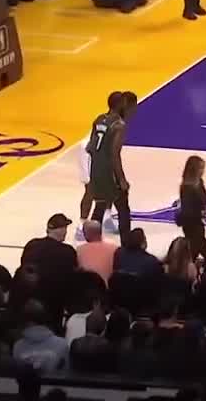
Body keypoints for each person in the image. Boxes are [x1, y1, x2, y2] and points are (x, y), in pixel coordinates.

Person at [89, 91, 137, 248]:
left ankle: (92, 245)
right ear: (121, 105)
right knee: (123, 210)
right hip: (110, 172)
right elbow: (114, 154)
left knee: (100, 206)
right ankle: (127, 247)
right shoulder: (119, 125)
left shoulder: (98, 120)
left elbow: (91, 148)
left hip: (96, 169)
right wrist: (121, 179)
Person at [78, 91, 122, 237]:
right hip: (89, 155)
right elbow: (93, 144)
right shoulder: (114, 123)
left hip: (100, 154)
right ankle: (81, 225)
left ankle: (106, 218)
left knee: (109, 183)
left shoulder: (105, 119)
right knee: (91, 190)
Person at [177, 155, 206, 267]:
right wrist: (203, 212)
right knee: (204, 255)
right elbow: (188, 211)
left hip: (198, 225)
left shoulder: (199, 182)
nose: (203, 171)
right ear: (193, 169)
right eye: (200, 168)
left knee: (198, 254)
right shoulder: (186, 188)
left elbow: (205, 197)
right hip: (191, 226)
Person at [20, 213, 78, 284]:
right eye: (65, 228)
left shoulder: (32, 244)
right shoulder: (67, 251)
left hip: (29, 289)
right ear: (62, 230)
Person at [75, 220, 116, 285]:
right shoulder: (114, 249)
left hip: (86, 289)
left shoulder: (79, 250)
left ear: (87, 233)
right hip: (109, 290)